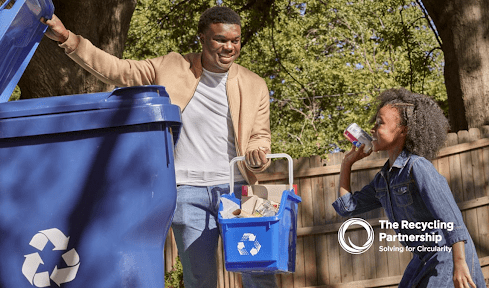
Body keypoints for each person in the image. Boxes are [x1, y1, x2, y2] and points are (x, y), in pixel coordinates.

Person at [43, 6, 277, 288]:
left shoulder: (254, 84)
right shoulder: (170, 67)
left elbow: (260, 138)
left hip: (238, 191)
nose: (229, 47)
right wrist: (67, 38)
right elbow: (118, 70)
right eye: (220, 39)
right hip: (187, 192)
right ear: (202, 38)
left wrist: (256, 157)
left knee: (259, 271)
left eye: (235, 40)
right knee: (199, 280)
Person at [332, 88, 485, 288]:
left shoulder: (418, 167)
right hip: (422, 258)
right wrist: (347, 164)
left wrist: (459, 263)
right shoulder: (383, 180)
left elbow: (451, 218)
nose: (373, 129)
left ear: (403, 130)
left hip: (446, 255)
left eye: (380, 122)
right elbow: (347, 208)